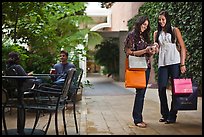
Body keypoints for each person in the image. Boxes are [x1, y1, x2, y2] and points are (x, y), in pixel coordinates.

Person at [153, 10, 187, 124]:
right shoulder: (156, 33)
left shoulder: (174, 30)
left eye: (163, 19)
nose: (161, 21)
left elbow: (182, 47)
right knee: (161, 88)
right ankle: (165, 114)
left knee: (175, 90)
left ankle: (173, 115)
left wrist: (182, 63)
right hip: (162, 63)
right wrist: (155, 47)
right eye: (159, 19)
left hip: (175, 62)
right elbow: (156, 49)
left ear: (167, 19)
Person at [124, 16, 157, 128]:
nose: (144, 27)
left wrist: (152, 50)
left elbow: (148, 52)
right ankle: (137, 119)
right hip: (137, 67)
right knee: (140, 93)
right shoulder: (132, 35)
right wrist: (145, 50)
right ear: (139, 23)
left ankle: (138, 118)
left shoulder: (145, 36)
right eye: (143, 24)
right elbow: (128, 51)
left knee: (142, 93)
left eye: (146, 25)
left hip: (146, 67)